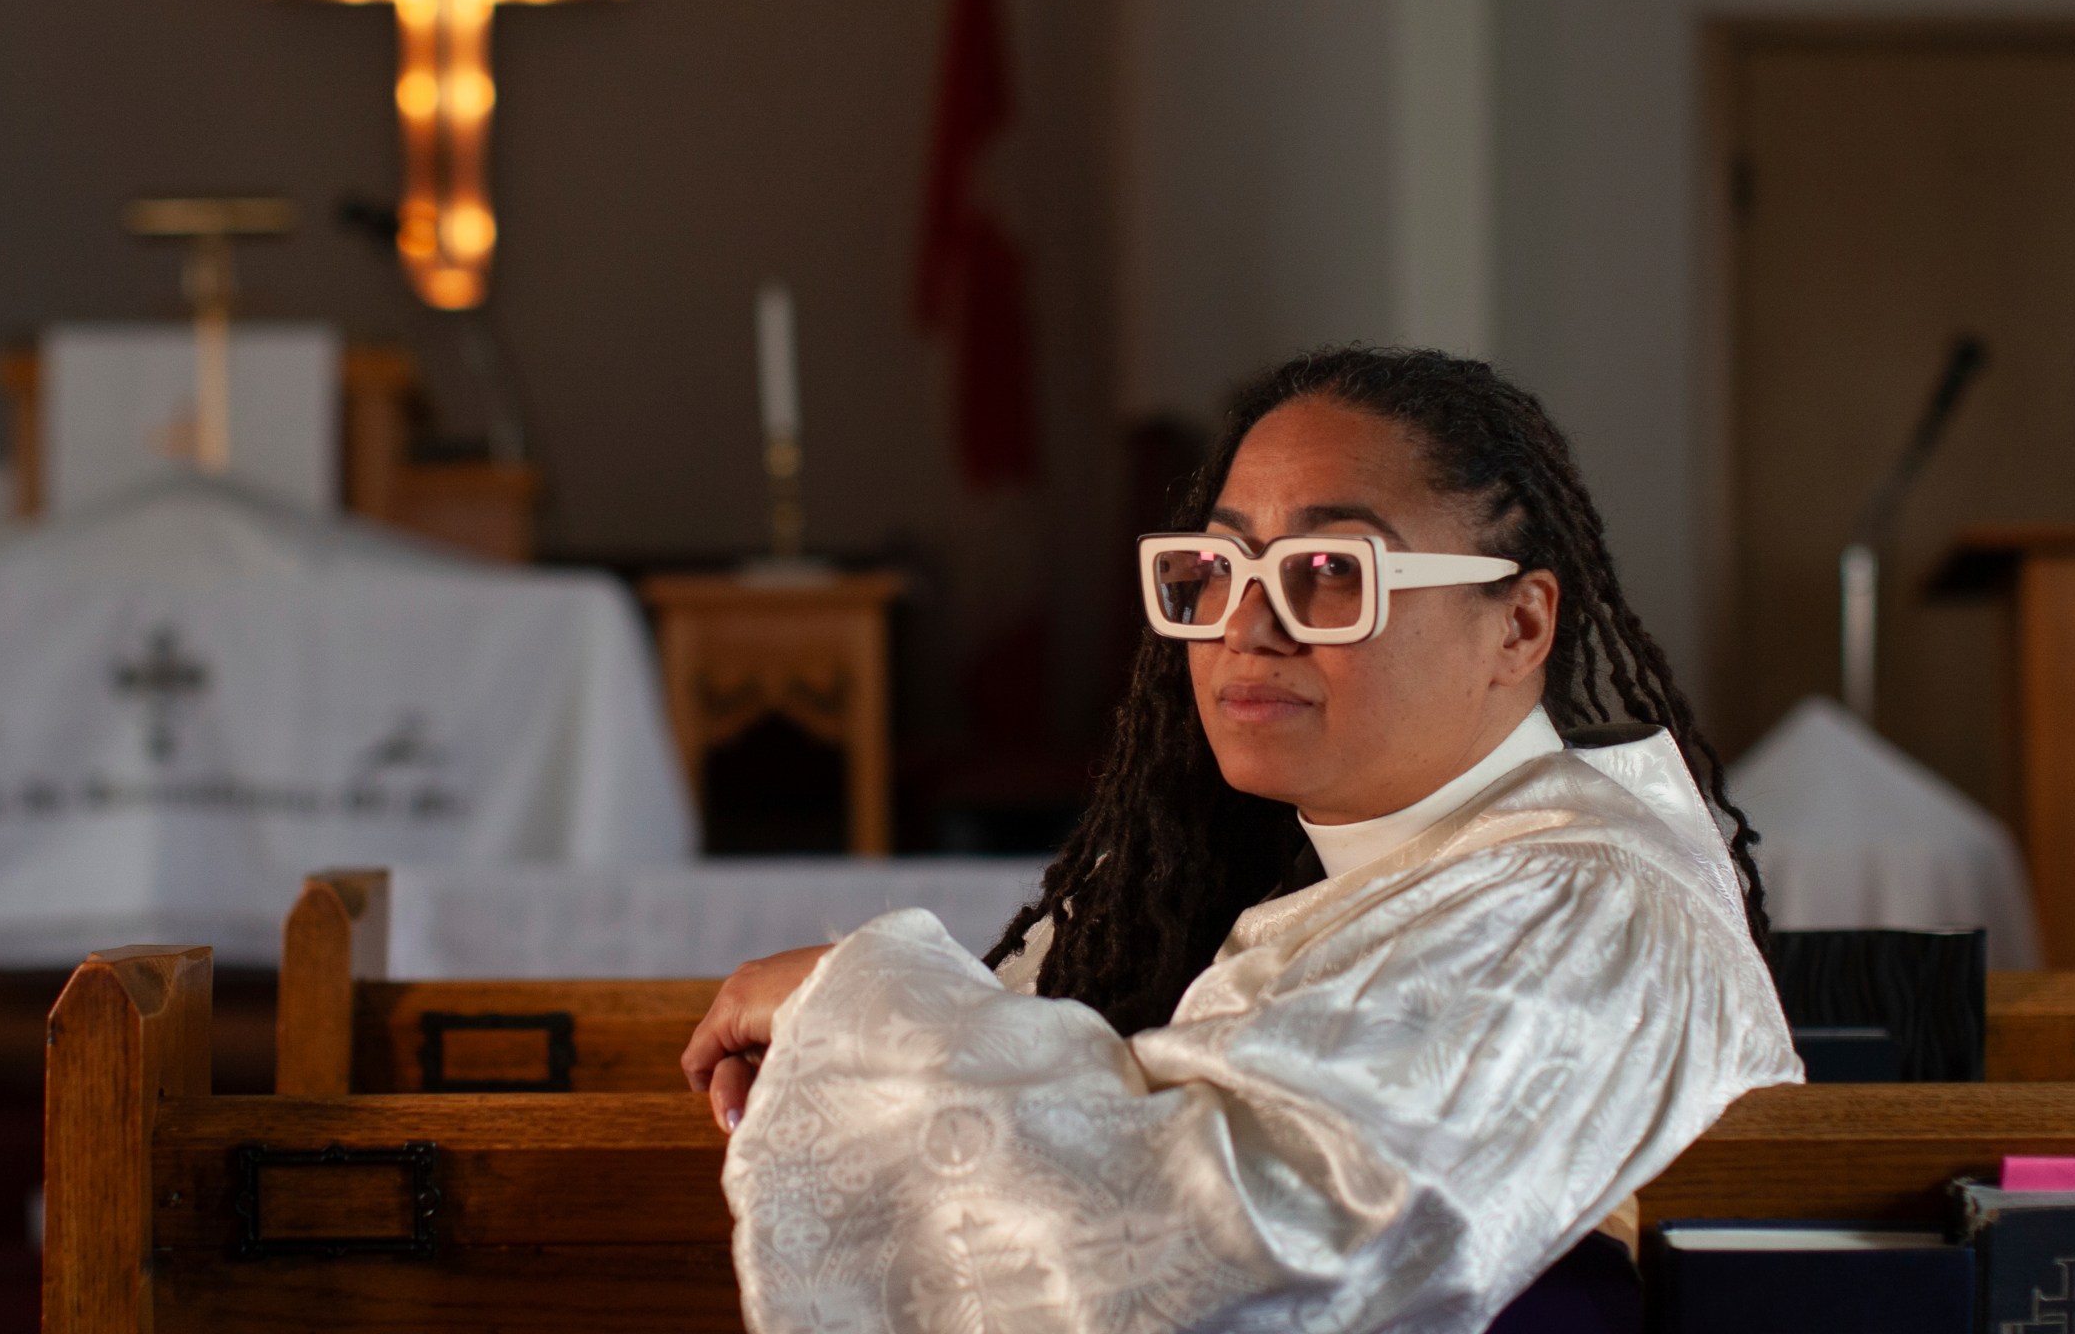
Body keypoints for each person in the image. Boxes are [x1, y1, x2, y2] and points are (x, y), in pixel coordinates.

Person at [682, 348, 1800, 1334]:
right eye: (1215, 570)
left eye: (1328, 574)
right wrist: (836, 1054)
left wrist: (854, 1005)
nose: (1241, 629)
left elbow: (1232, 1245)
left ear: (1517, 625)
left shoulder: (1584, 907)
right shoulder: (1277, 855)